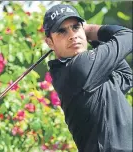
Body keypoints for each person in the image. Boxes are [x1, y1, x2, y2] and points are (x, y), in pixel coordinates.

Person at [43, 4, 132, 152]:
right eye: (62, 31)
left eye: (76, 27)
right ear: (50, 42)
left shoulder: (80, 72)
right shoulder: (79, 68)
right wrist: (90, 30)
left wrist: (90, 39)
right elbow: (128, 36)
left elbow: (126, 76)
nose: (72, 35)